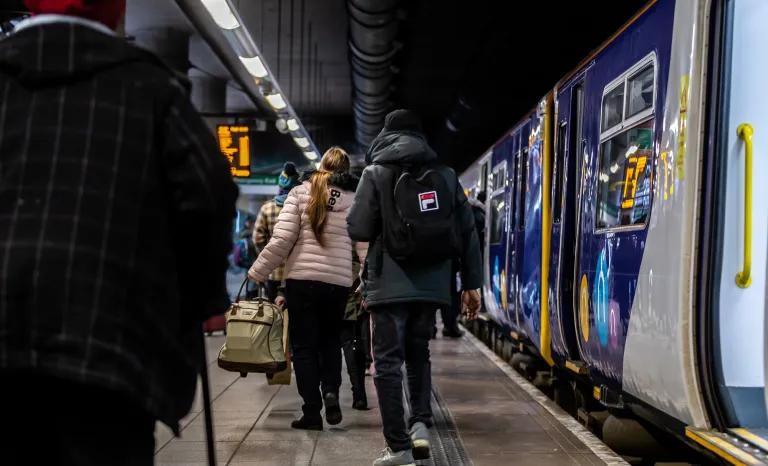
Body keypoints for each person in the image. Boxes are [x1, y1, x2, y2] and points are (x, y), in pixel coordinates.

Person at [0, 1, 238, 464]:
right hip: (107, 354)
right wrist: (204, 300)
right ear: (115, 12)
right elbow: (208, 196)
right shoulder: (153, 90)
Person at [347, 109, 482, 466]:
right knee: (418, 354)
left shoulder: (375, 173)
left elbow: (358, 228)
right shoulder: (447, 176)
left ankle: (399, 446)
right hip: (433, 285)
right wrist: (471, 285)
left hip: (388, 285)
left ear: (386, 136)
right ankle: (420, 424)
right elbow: (468, 233)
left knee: (387, 362)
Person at [248, 147, 367, 431]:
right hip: (337, 285)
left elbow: (280, 241)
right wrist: (365, 279)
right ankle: (331, 394)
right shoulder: (354, 199)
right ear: (346, 170)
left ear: (322, 165)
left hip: (301, 283)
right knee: (330, 343)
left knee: (303, 348)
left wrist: (257, 272)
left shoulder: (301, 192)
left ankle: (312, 411)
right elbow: (365, 246)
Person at [253, 162, 301, 302]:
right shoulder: (302, 209)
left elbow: (257, 239)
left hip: (273, 273)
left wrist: (268, 258)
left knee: (273, 316)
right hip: (296, 274)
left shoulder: (266, 209)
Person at [341, 250, 369, 410]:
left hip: (335, 284)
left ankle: (331, 394)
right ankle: (359, 395)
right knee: (354, 343)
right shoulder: (357, 227)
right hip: (356, 286)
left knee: (334, 344)